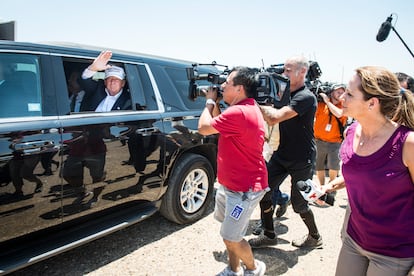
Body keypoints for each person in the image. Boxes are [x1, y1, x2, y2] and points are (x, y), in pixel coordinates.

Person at [322, 66, 414, 276]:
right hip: (354, 241)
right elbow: (364, 173)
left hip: (394, 253)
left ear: (372, 103)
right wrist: (330, 186)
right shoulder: (351, 132)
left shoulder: (408, 143)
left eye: (350, 94)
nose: (342, 97)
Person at [198, 67, 268, 276]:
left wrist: (210, 102)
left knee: (231, 237)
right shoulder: (245, 108)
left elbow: (204, 128)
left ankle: (254, 269)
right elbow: (221, 125)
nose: (222, 85)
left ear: (239, 88)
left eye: (226, 82)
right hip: (231, 185)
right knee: (231, 234)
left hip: (243, 191)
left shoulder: (239, 112)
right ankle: (233, 268)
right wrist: (218, 105)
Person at [248, 55, 322, 249]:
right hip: (282, 154)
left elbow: (274, 117)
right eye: (284, 69)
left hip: (302, 158)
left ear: (302, 72)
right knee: (263, 191)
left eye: (288, 70)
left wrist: (251, 101)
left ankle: (315, 237)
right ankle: (269, 235)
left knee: (300, 204)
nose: (284, 73)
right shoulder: (284, 93)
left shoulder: (306, 97)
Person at [314, 84, 347, 187]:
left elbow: (339, 114)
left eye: (342, 92)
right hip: (319, 140)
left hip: (335, 141)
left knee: (334, 166)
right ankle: (322, 186)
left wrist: (327, 101)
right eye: (338, 92)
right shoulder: (320, 105)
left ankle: (331, 186)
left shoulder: (344, 105)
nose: (340, 94)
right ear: (332, 92)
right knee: (319, 165)